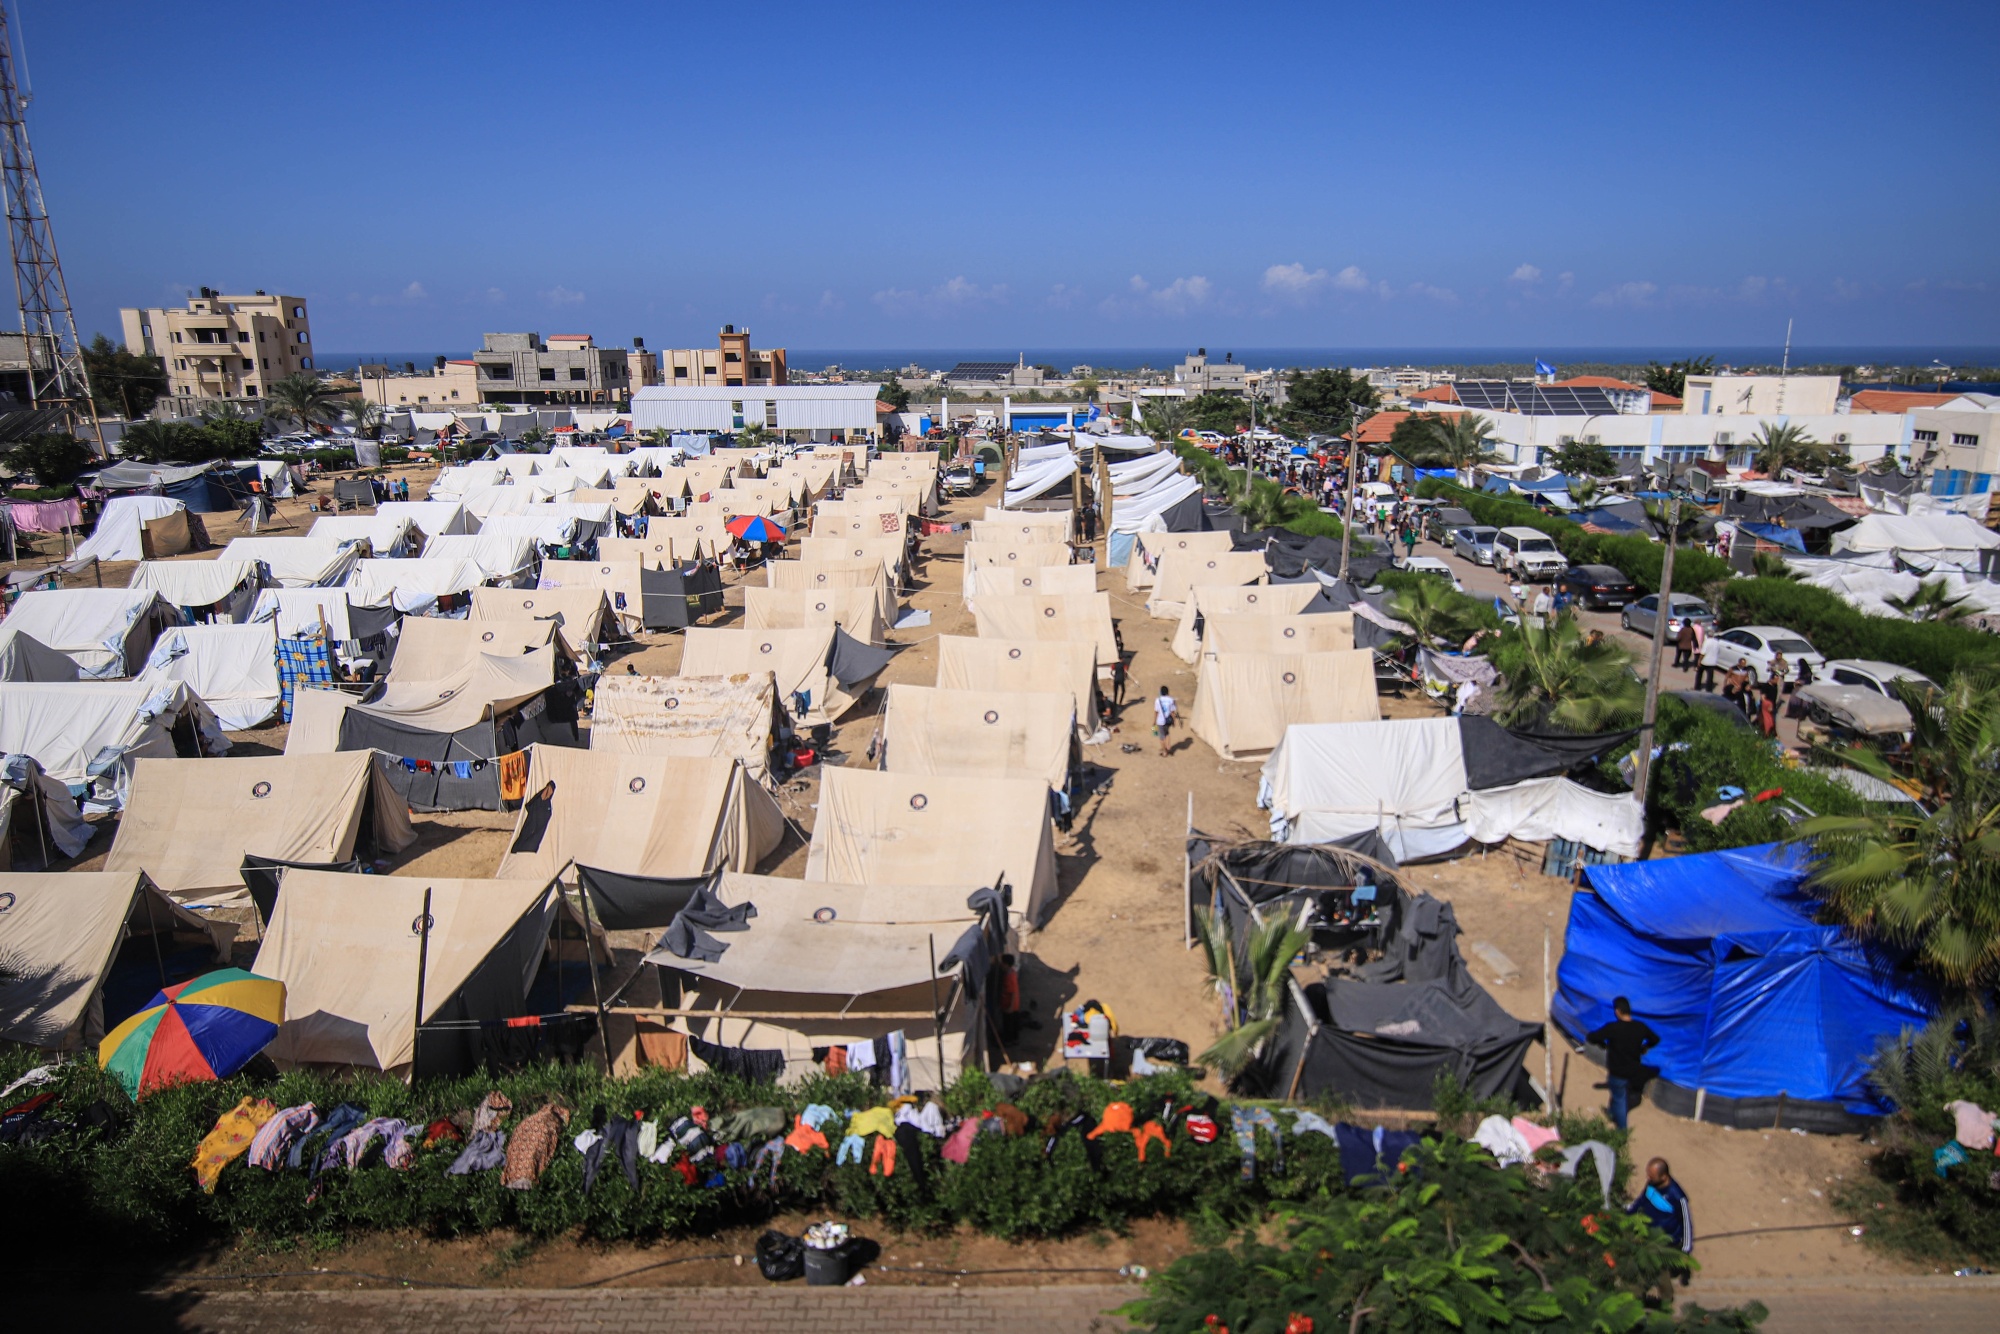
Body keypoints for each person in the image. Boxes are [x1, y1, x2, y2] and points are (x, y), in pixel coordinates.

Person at [1586, 996, 1660, 1130]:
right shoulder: (1640, 1027)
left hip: (1618, 1071)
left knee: (1619, 1098)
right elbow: (1655, 1039)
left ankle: (1622, 1131)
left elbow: (1591, 1037)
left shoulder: (1613, 1028)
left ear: (1618, 1011)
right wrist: (1644, 1047)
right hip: (1633, 1071)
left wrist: (1604, 1044)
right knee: (1617, 1093)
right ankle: (1610, 1112)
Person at [1627, 1157, 1695, 1263]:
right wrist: (1626, 1214)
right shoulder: (1651, 1185)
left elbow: (1686, 1223)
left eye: (1652, 1176)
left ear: (1663, 1177)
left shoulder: (1677, 1196)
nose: (1648, 1178)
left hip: (1667, 1244)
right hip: (1648, 1238)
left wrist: (1686, 1249)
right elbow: (1640, 1202)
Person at [1153, 685, 1178, 757]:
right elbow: (1173, 712)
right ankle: (1168, 747)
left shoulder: (1158, 700)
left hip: (1160, 721)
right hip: (1168, 720)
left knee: (1161, 737)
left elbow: (1156, 712)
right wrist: (1174, 721)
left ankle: (1164, 751)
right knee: (1167, 733)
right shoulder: (1171, 700)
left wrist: (1154, 721)